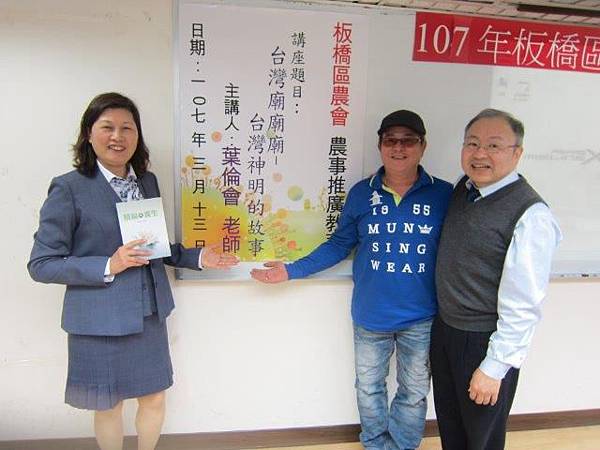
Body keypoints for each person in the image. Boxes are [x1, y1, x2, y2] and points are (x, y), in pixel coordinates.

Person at [27, 92, 238, 450]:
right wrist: (110, 264)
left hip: (148, 313)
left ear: (137, 136)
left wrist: (199, 257)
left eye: (127, 128)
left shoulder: (146, 182)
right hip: (98, 320)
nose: (118, 136)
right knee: (109, 406)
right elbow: (41, 264)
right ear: (89, 133)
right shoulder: (68, 188)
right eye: (107, 127)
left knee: (154, 399)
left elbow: (153, 246)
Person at [251, 110, 453, 450]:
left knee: (415, 390)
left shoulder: (444, 195)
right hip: (370, 314)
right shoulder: (362, 193)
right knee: (369, 387)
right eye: (390, 140)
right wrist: (291, 270)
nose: (399, 148)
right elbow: (339, 244)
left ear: (423, 146)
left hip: (422, 316)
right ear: (380, 146)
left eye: (408, 141)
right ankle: (375, 444)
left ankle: (402, 446)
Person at [431, 108, 562, 450]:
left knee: (481, 439)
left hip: (484, 342)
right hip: (447, 331)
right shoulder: (465, 189)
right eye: (472, 143)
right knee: (452, 430)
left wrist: (494, 366)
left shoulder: (531, 215)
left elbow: (524, 303)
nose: (480, 154)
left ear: (517, 153)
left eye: (493, 145)